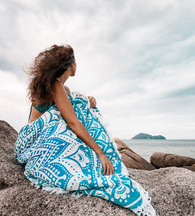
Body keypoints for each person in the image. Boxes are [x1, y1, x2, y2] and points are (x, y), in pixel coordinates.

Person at [15, 44, 156, 215]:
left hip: (29, 138)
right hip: (33, 139)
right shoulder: (55, 85)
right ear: (71, 64)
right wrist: (99, 152)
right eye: (76, 62)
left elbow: (68, 108)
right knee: (79, 106)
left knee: (79, 102)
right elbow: (73, 122)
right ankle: (95, 158)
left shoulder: (60, 88)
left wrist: (89, 100)